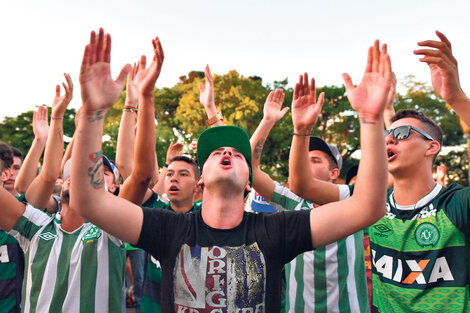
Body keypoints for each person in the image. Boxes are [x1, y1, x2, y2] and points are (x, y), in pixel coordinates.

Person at [70, 28, 390, 312]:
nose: (226, 152)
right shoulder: (169, 229)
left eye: (238, 154)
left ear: (249, 183)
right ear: (202, 180)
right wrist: (93, 113)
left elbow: (367, 206)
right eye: (216, 152)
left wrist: (372, 121)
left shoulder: (275, 231)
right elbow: (90, 202)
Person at [291, 31, 470, 313]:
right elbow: (302, 186)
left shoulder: (456, 204)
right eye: (387, 133)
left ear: (432, 147)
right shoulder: (371, 202)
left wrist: (456, 97)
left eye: (401, 132)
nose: (389, 139)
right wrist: (301, 132)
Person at [250, 82, 368, 312]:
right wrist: (267, 121)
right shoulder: (292, 203)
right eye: (303, 158)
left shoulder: (353, 200)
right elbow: (250, 170)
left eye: (315, 160)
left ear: (334, 174)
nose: (304, 163)